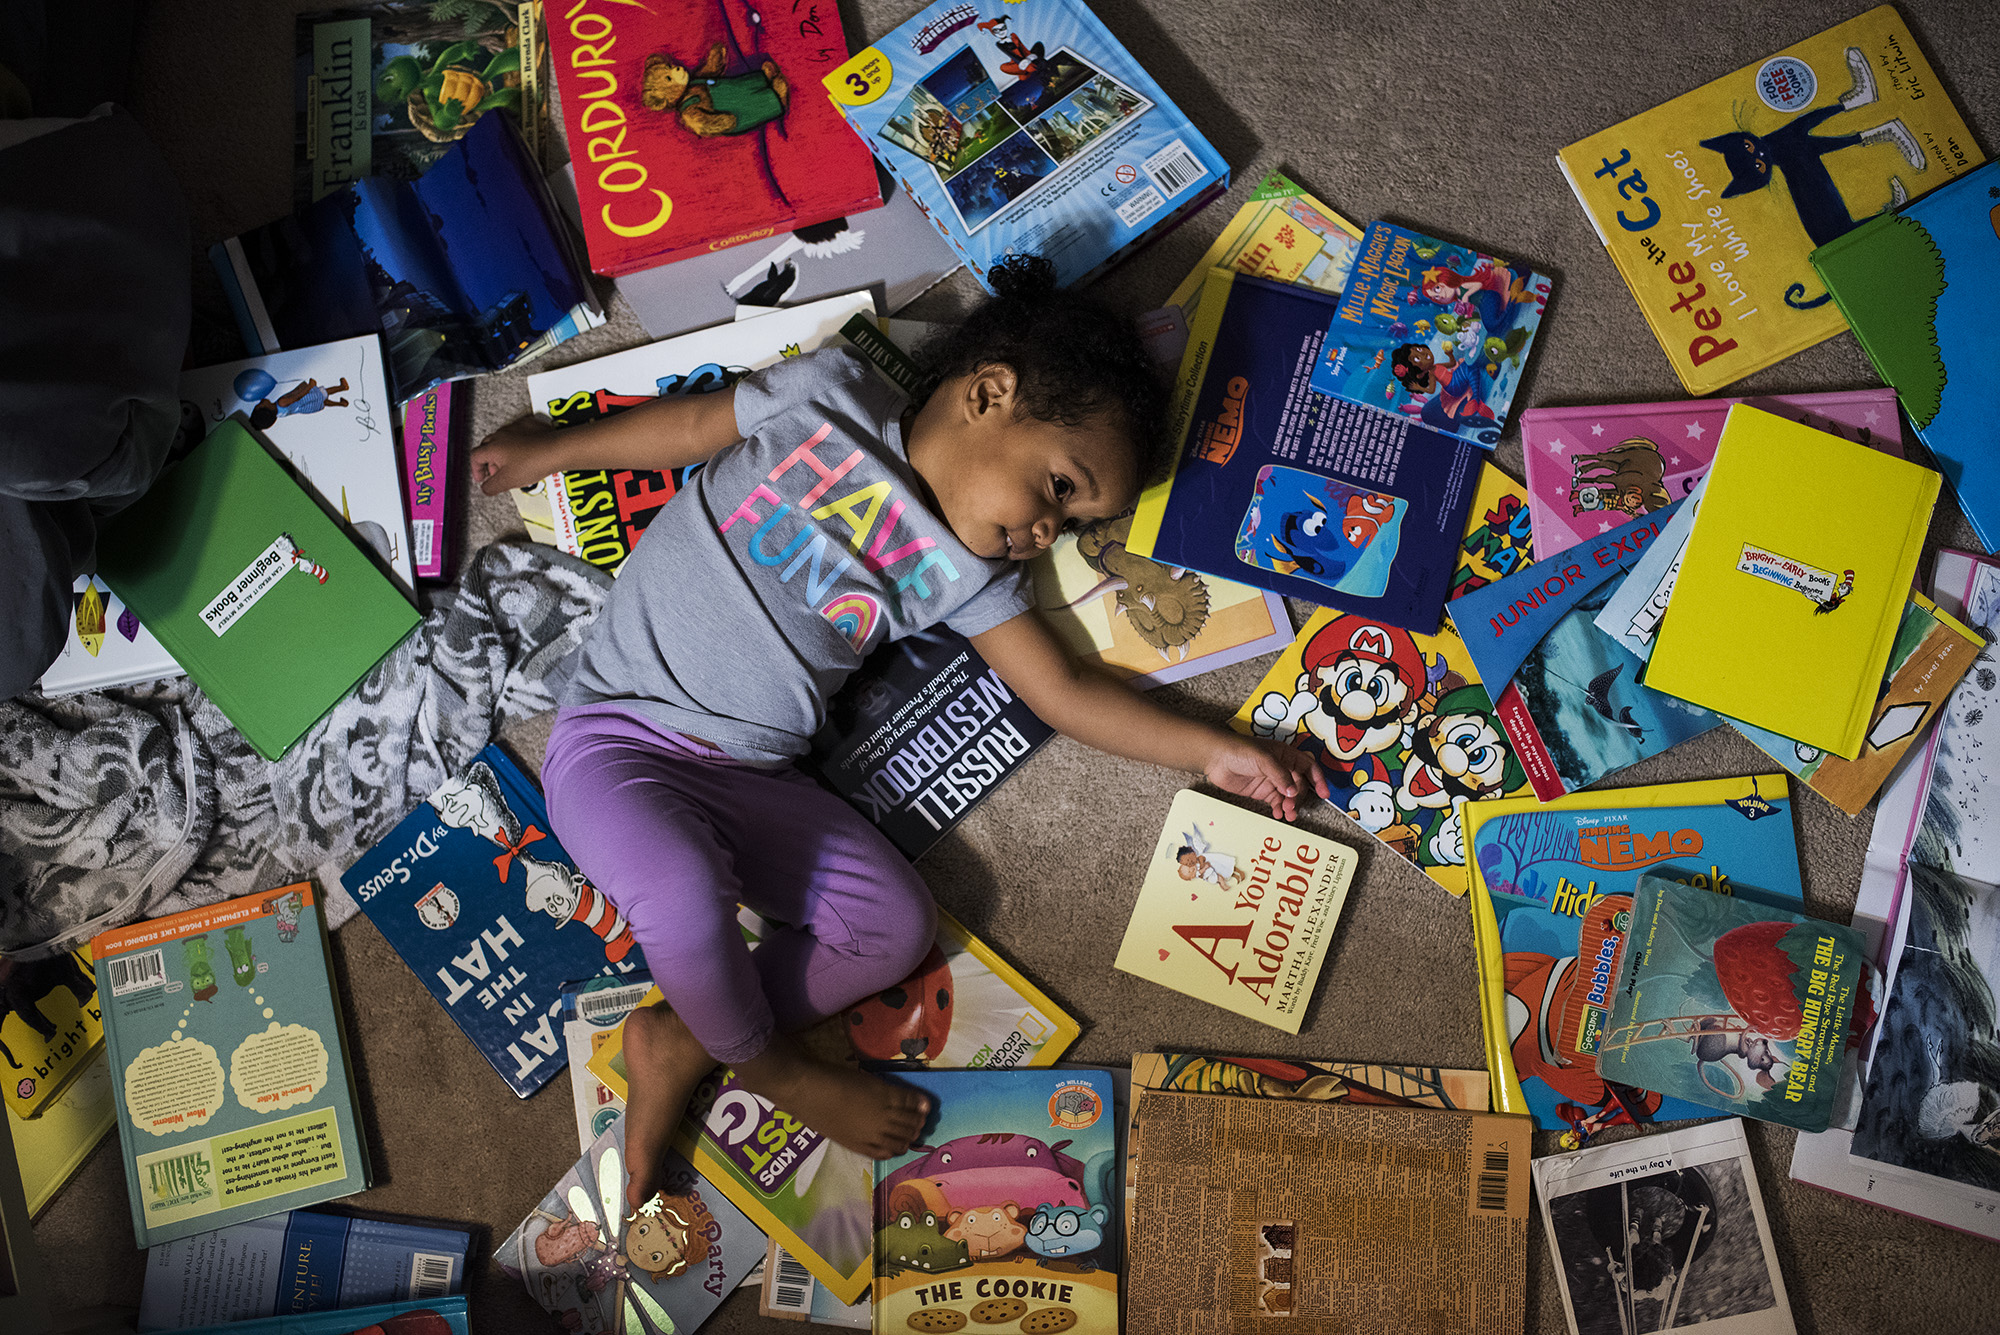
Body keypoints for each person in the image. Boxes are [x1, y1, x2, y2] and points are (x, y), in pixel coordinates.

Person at [470, 256, 1327, 1208]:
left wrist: (1213, 750)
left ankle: (683, 1034)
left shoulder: (972, 579)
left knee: (892, 925)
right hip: (618, 743)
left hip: (753, 777)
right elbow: (690, 428)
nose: (1049, 531)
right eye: (1057, 486)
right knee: (678, 886)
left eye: (1075, 520)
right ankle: (772, 1069)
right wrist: (553, 451)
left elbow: (1066, 690)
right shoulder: (833, 392)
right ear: (987, 394)